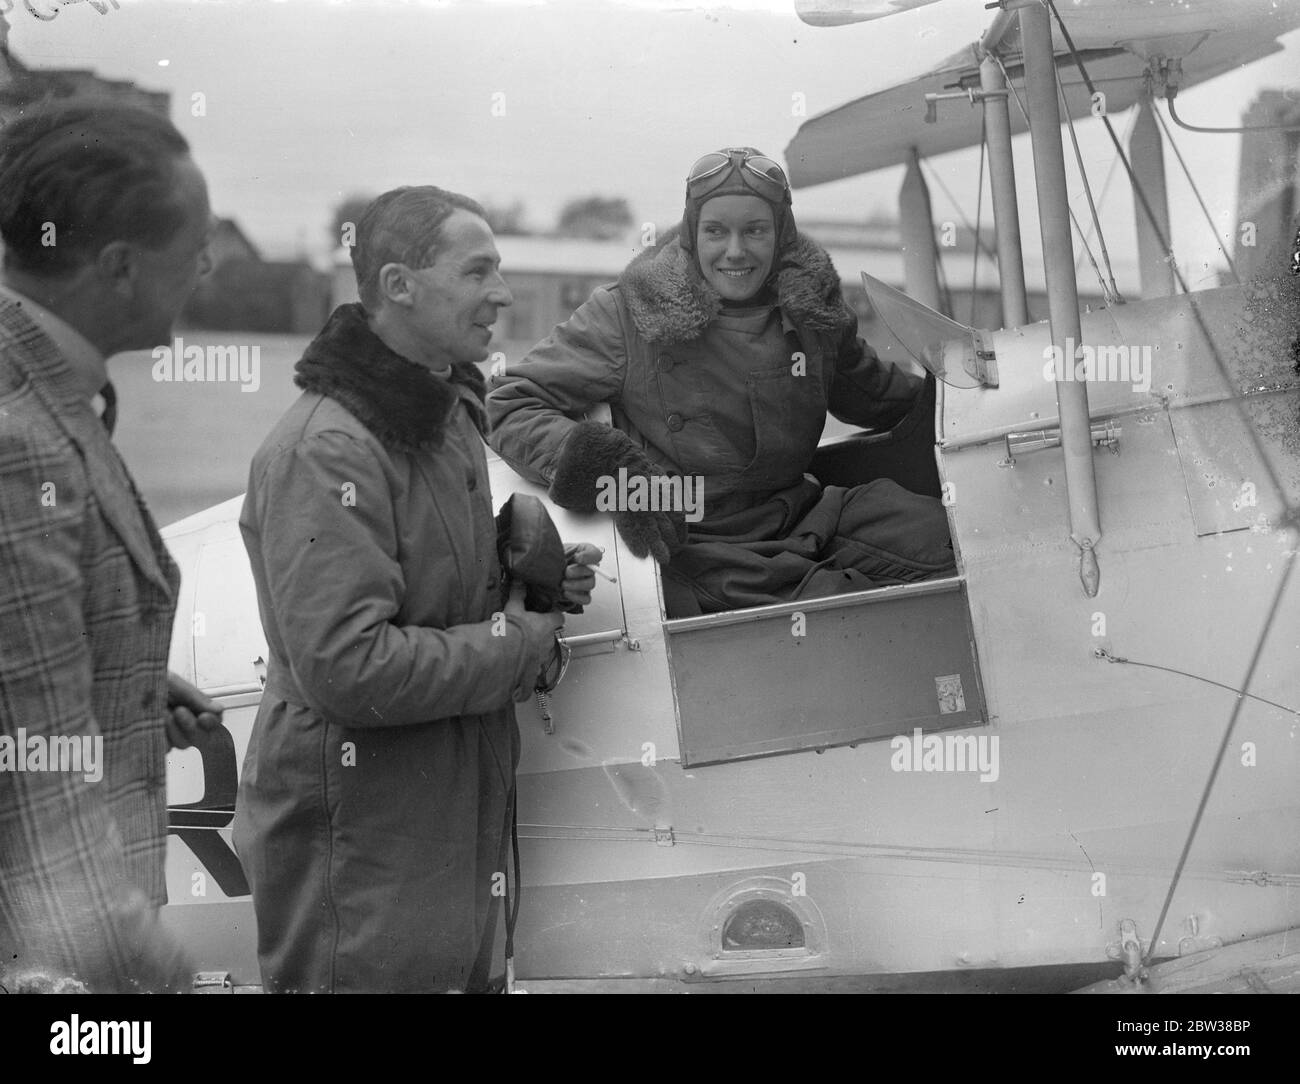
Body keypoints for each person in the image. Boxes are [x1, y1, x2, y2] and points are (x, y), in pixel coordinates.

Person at [234, 186, 600, 994]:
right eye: (478, 272)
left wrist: (521, 580)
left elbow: (422, 594)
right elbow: (347, 667)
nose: (501, 293)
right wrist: (516, 645)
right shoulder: (326, 450)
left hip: (447, 810)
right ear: (399, 285)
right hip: (364, 832)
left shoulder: (443, 416)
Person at [487, 147, 956, 616]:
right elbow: (508, 403)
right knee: (834, 610)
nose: (735, 251)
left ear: (781, 234)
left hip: (805, 510)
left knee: (952, 536)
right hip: (695, 536)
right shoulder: (628, 313)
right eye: (716, 231)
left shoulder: (813, 312)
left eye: (754, 230)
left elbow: (881, 395)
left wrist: (962, 397)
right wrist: (620, 477)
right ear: (693, 233)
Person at [0, 102, 223, 993]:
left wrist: (117, 664)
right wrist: (150, 975)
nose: (207, 266)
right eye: (195, 243)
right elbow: (39, 781)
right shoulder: (20, 439)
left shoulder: (44, 386)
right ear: (122, 267)